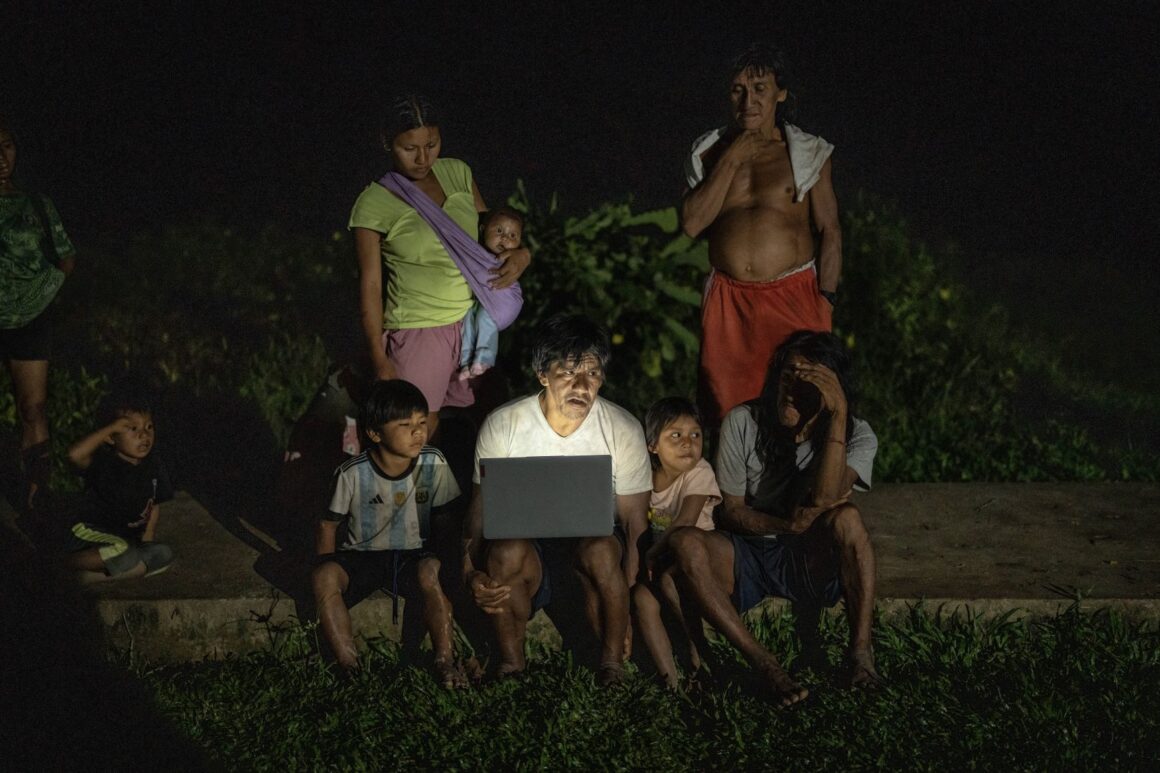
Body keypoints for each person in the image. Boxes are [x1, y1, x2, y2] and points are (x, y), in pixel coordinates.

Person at [665, 331, 880, 706]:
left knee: (848, 521)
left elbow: (827, 497)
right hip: (751, 549)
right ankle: (765, 665)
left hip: (810, 556)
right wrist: (784, 525)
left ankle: (861, 653)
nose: (792, 389)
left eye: (809, 380)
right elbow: (731, 511)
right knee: (684, 541)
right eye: (787, 375)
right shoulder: (742, 421)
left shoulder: (857, 433)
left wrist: (838, 416)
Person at [461, 314, 651, 685]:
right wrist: (470, 573)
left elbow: (634, 525)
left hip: (591, 554)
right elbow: (479, 512)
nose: (581, 385)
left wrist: (628, 611)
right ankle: (511, 665)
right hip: (527, 552)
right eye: (567, 373)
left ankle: (611, 665)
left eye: (592, 374)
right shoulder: (505, 425)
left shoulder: (622, 428)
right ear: (542, 374)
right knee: (505, 552)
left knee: (601, 548)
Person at [349, 96, 531, 441]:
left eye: (431, 145)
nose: (422, 158)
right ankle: (399, 495)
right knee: (415, 430)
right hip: (419, 329)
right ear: (387, 143)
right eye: (409, 148)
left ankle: (459, 495)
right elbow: (370, 285)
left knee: (482, 427)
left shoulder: (457, 172)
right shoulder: (373, 203)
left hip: (472, 325)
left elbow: (492, 236)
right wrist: (378, 356)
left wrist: (524, 254)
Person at [680, 43, 841, 426]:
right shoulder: (708, 152)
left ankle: (798, 486)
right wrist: (734, 155)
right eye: (738, 89)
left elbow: (830, 229)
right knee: (724, 408)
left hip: (793, 296)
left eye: (759, 88)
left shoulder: (807, 152)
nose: (748, 100)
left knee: (800, 406)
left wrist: (827, 301)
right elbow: (692, 223)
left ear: (780, 93)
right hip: (728, 300)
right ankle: (732, 487)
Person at [311, 379, 467, 687]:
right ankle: (349, 666)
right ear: (374, 433)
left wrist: (453, 563)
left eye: (422, 422)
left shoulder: (432, 462)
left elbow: (448, 520)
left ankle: (445, 660)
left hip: (412, 555)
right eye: (405, 424)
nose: (418, 431)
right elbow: (327, 524)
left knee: (431, 570)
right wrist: (325, 563)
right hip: (363, 556)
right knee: (323, 576)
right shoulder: (352, 473)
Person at [0, 115, 77, 513]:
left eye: (8, 145)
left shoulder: (35, 203)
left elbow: (66, 258)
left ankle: (36, 498)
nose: (2, 156)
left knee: (34, 408)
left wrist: (43, 298)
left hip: (30, 319)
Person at [631, 397, 721, 690]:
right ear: (652, 445)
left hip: (697, 563)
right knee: (642, 599)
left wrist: (652, 556)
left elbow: (685, 521)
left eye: (696, 435)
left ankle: (697, 659)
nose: (688, 443)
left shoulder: (699, 472)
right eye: (676, 435)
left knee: (674, 579)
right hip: (661, 562)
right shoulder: (644, 477)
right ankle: (669, 678)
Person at [64, 390, 175, 584]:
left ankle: (85, 578)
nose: (144, 435)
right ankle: (59, 565)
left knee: (163, 553)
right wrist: (110, 428)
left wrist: (147, 542)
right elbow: (73, 455)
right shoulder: (104, 464)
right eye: (132, 428)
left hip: (123, 541)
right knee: (125, 552)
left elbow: (154, 505)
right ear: (110, 437)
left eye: (149, 427)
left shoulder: (153, 465)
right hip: (87, 533)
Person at [457, 207, 524, 381]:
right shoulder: (474, 250)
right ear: (483, 229)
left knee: (484, 318)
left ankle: (485, 358)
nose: (504, 238)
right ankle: (466, 363)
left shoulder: (510, 258)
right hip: (483, 300)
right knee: (467, 318)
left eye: (512, 236)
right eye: (499, 230)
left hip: (503, 302)